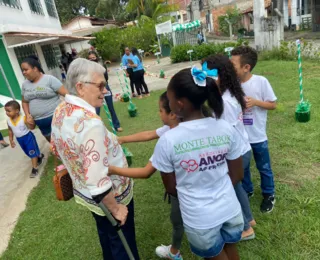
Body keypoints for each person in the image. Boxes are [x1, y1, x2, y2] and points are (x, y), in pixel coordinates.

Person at [50, 58, 139, 260]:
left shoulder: (61, 109)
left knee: (107, 236)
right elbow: (98, 182)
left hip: (87, 194)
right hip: (110, 196)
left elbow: (55, 146)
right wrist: (116, 208)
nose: (105, 91)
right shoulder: (91, 123)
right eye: (100, 85)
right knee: (122, 245)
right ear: (80, 87)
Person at [152, 68, 244, 260]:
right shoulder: (225, 128)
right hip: (231, 210)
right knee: (231, 250)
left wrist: (195, 193)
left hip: (200, 219)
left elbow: (171, 188)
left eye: (169, 100)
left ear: (179, 105)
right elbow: (237, 175)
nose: (168, 104)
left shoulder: (168, 141)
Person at [109, 92, 184, 260]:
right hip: (195, 185)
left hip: (181, 190)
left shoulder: (168, 140)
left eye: (160, 110)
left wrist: (113, 170)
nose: (158, 113)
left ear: (172, 114)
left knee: (178, 220)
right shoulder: (178, 126)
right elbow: (148, 134)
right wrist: (122, 139)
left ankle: (174, 252)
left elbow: (145, 172)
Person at [203, 55, 256, 240]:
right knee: (237, 186)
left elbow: (226, 135)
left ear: (218, 77)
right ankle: (249, 220)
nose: (204, 82)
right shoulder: (230, 93)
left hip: (237, 153)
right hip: (243, 149)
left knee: (233, 187)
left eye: (206, 77)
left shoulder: (225, 102)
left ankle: (246, 228)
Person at [231, 46, 277, 213]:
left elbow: (272, 104)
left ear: (246, 67)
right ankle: (247, 190)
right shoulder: (233, 84)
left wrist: (256, 102)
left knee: (264, 167)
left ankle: (269, 194)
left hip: (257, 136)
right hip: (240, 138)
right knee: (243, 168)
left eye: (233, 64)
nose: (230, 68)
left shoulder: (261, 82)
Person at [21, 58, 68, 142]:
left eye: (26, 69)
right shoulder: (25, 84)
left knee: (65, 141)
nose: (23, 72)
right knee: (52, 143)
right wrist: (27, 115)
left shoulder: (49, 79)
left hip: (56, 118)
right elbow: (24, 101)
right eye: (22, 70)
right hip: (40, 122)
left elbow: (67, 95)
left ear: (35, 69)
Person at [5, 100, 44, 178]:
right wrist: (11, 140)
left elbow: (32, 127)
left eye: (9, 111)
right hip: (20, 140)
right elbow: (10, 130)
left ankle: (35, 168)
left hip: (28, 137)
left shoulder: (23, 118)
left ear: (16, 111)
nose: (7, 113)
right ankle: (39, 156)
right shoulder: (8, 121)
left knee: (32, 151)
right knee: (28, 152)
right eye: (6, 111)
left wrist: (31, 122)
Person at [87, 51, 123, 132]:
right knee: (96, 109)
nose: (92, 60)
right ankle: (96, 128)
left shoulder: (102, 65)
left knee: (111, 107)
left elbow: (106, 77)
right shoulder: (87, 69)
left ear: (96, 57)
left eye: (93, 58)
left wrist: (102, 85)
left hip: (105, 87)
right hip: (95, 89)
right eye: (90, 59)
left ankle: (116, 125)